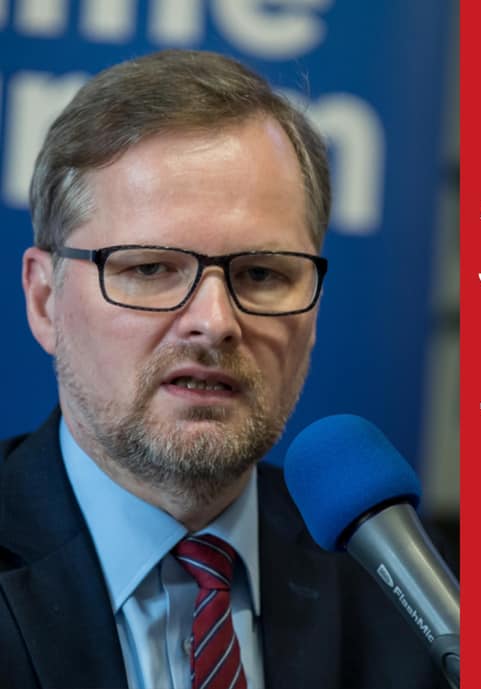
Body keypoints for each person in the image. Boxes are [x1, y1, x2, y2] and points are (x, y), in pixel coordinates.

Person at [0, 50, 446, 689]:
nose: (214, 322)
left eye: (261, 274)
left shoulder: (412, 599)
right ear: (45, 300)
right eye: (150, 268)